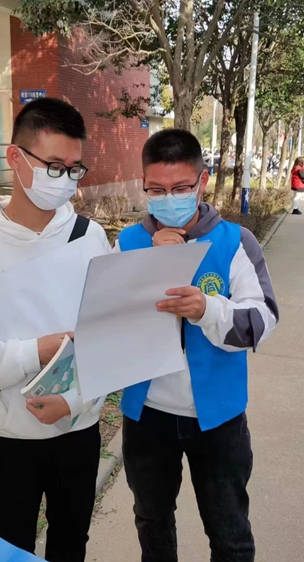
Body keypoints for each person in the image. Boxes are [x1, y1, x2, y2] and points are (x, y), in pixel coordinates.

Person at [0, 98, 110, 562]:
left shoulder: (90, 238)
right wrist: (36, 351)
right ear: (15, 157)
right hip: (7, 440)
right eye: (53, 166)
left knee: (71, 545)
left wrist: (75, 401)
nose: (64, 180)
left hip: (79, 431)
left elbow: (110, 338)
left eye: (74, 169)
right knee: (13, 551)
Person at [115, 129, 279, 562]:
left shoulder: (234, 242)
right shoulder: (127, 243)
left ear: (202, 182)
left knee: (229, 532)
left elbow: (262, 321)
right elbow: (110, 323)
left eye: (180, 188)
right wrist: (152, 265)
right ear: (144, 185)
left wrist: (208, 309)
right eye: (156, 190)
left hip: (218, 417)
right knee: (152, 521)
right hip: (146, 415)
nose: (168, 199)